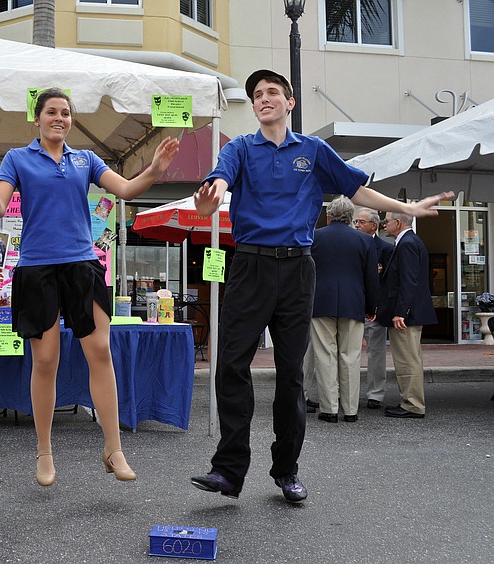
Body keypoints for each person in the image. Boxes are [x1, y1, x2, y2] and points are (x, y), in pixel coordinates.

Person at [189, 69, 452, 503]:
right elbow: (220, 178)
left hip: (297, 270)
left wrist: (408, 207)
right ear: (253, 106)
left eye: (273, 92)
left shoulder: (312, 150)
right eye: (257, 94)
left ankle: (286, 471)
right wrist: (211, 196)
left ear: (289, 102)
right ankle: (228, 471)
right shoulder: (239, 148)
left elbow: (359, 191)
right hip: (250, 267)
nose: (264, 98)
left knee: (292, 374)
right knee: (232, 366)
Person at [0, 87, 179, 486]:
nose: (60, 118)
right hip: (37, 269)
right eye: (52, 112)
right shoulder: (18, 158)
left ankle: (113, 448)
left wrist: (154, 170)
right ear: (37, 118)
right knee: (45, 361)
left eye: (66, 113)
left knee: (99, 351)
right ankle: (44, 452)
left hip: (82, 265)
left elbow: (126, 190)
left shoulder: (85, 159)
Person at [310, 196, 378, 424]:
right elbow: (371, 278)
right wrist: (371, 307)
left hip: (320, 302)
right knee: (351, 357)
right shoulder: (365, 241)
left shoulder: (315, 237)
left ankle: (329, 408)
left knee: (325, 355)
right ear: (351, 217)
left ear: (329, 215)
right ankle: (350, 410)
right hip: (353, 303)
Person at [378, 212, 436, 419]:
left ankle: (412, 405)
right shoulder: (409, 242)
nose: (384, 224)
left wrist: (401, 312)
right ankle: (410, 401)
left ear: (398, 222)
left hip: (405, 315)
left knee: (407, 360)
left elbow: (409, 281)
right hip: (407, 313)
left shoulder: (408, 243)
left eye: (387, 221)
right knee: (409, 359)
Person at [354, 207, 394, 409]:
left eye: (361, 222)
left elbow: (387, 282)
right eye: (356, 222)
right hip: (351, 308)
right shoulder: (350, 245)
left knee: (376, 353)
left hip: (374, 311)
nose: (357, 225)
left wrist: (379, 307)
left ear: (373, 225)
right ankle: (346, 393)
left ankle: (375, 394)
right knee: (347, 352)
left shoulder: (386, 249)